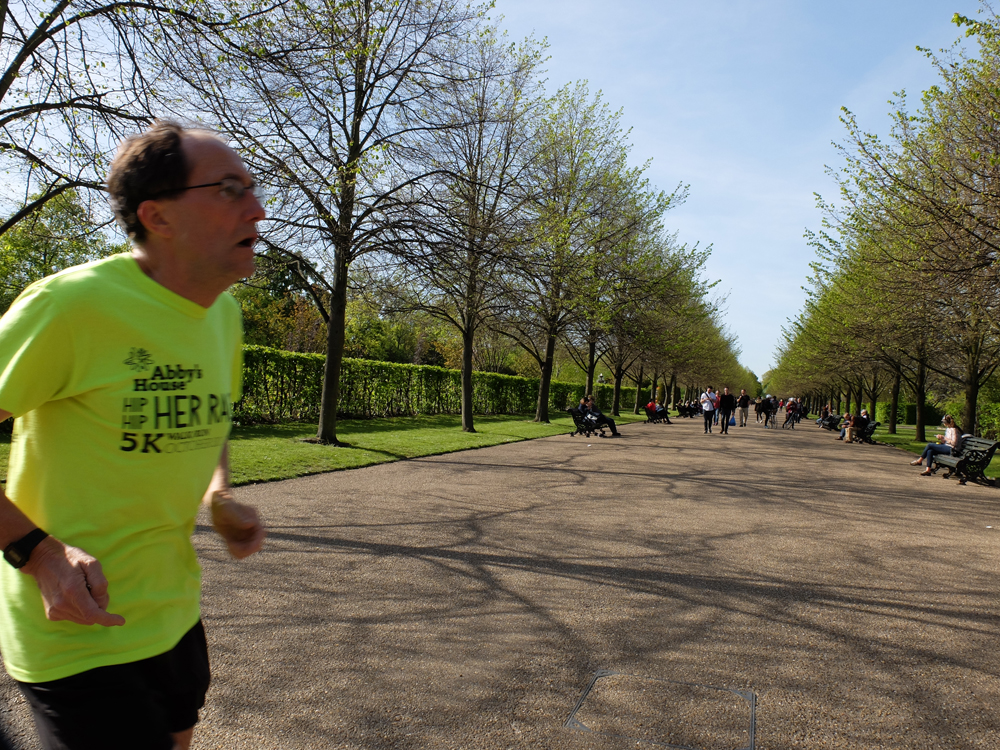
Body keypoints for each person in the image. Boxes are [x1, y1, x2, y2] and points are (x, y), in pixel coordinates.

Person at [0, 121, 267, 750]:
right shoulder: (69, 307)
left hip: (172, 616)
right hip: (75, 628)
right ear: (158, 216)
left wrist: (218, 494)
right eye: (229, 189)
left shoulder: (222, 312)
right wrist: (37, 554)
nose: (257, 207)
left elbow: (210, 421)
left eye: (253, 188)